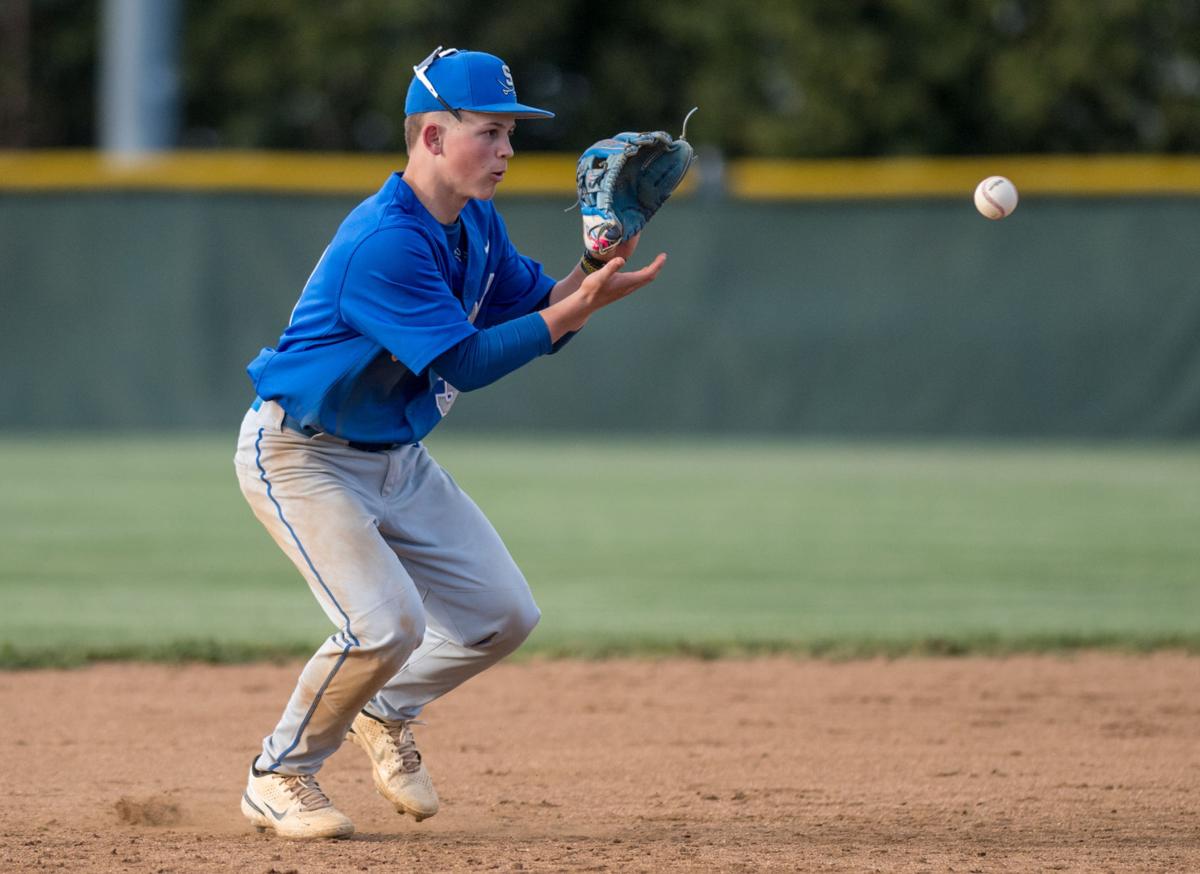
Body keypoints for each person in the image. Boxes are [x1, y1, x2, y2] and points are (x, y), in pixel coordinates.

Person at [232, 46, 666, 840]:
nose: (505, 151)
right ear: (431, 137)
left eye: (510, 135)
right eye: (490, 134)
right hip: (305, 454)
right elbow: (469, 357)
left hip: (395, 455)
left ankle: (384, 712)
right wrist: (571, 312)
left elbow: (540, 310)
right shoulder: (385, 242)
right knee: (385, 623)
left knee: (502, 614)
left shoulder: (474, 223)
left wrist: (594, 270)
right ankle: (280, 774)